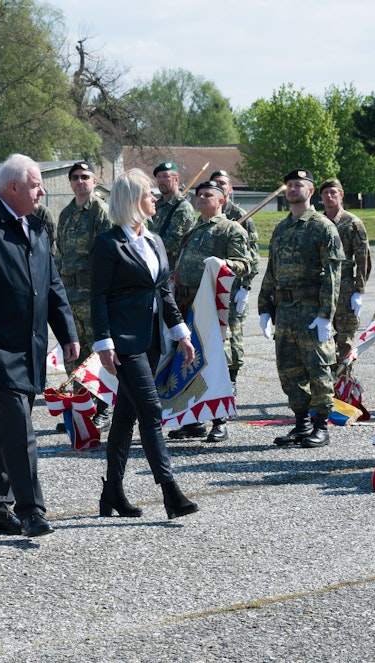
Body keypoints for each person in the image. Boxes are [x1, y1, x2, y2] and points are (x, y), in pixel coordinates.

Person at [0, 153, 78, 538]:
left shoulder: (36, 227)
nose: (41, 192)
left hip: (30, 345)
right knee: (20, 428)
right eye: (36, 184)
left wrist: (68, 332)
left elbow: (51, 284)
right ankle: (31, 509)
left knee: (5, 429)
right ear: (14, 187)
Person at [90, 169, 198, 519]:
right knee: (151, 410)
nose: (155, 199)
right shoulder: (108, 244)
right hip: (123, 342)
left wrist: (181, 333)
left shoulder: (153, 241)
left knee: (126, 415)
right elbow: (98, 296)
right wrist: (103, 342)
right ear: (133, 201)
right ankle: (170, 491)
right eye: (149, 195)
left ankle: (112, 495)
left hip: (151, 338)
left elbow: (163, 290)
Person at [257, 169, 344, 449]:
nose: (293, 189)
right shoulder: (282, 228)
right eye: (289, 185)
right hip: (285, 311)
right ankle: (301, 424)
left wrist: (325, 315)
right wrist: (264, 307)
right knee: (290, 370)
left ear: (309, 190)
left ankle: (321, 426)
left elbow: (333, 274)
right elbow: (271, 270)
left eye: (299, 185)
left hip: (310, 310)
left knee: (317, 368)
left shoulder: (322, 227)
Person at [168, 180, 253, 443]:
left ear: (221, 201)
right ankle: (193, 421)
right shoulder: (194, 230)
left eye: (208, 195)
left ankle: (220, 420)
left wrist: (223, 263)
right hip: (185, 305)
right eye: (199, 194)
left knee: (213, 362)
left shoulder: (230, 230)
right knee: (186, 362)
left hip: (209, 307)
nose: (202, 198)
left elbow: (245, 264)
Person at [56, 161, 112, 429]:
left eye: (85, 177)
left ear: (94, 180)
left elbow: (108, 253)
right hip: (69, 294)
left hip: (92, 293)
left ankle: (103, 407)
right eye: (75, 177)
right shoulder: (66, 213)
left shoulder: (100, 210)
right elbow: (59, 252)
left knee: (96, 352)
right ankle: (82, 407)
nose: (80, 181)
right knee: (73, 353)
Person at [211, 169, 260, 392]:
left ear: (230, 189)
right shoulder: (207, 215)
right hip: (212, 287)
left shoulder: (241, 217)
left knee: (234, 335)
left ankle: (232, 378)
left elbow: (253, 256)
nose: (219, 186)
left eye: (222, 183)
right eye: (215, 183)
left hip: (235, 286)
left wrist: (246, 287)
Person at [319, 178, 371, 374]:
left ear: (341, 195)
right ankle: (327, 384)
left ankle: (343, 383)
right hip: (322, 288)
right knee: (322, 340)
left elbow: (363, 258)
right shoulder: (317, 223)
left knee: (345, 340)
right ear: (320, 196)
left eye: (334, 192)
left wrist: (359, 290)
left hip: (345, 287)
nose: (330, 196)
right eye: (326, 193)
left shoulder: (352, 222)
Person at [151, 162, 196, 268]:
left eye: (166, 176)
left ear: (176, 180)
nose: (161, 180)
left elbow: (175, 241)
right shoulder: (156, 205)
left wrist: (147, 247)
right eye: (159, 177)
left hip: (171, 267)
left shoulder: (183, 208)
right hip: (154, 262)